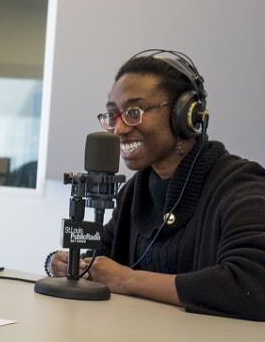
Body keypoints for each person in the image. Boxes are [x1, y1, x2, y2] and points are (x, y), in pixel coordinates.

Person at [46, 50, 265, 321]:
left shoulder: (240, 186)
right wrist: (68, 265)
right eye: (113, 115)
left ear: (185, 115)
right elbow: (101, 264)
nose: (120, 129)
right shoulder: (136, 191)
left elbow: (253, 285)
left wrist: (129, 280)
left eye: (134, 112)